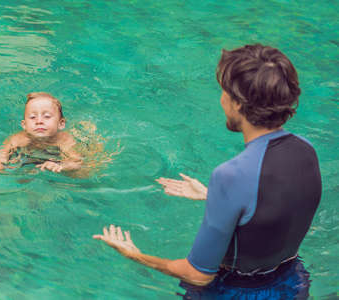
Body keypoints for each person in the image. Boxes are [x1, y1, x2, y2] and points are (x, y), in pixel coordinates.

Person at [93, 44, 321, 299]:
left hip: (234, 292)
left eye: (224, 91)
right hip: (293, 283)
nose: (221, 99)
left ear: (238, 103)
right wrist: (214, 197)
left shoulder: (231, 175)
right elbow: (272, 211)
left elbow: (198, 274)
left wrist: (134, 255)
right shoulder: (306, 150)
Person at [0, 92, 82, 193]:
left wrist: (61, 166)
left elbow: (76, 163)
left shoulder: (65, 140)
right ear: (24, 125)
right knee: (21, 176)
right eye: (32, 117)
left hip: (55, 157)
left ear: (61, 123)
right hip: (30, 154)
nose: (39, 121)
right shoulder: (19, 139)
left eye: (46, 116)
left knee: (74, 178)